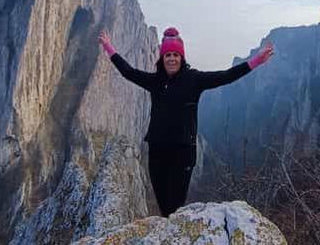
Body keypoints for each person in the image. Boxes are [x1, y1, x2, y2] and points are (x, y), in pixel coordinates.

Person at [98, 26, 274, 217]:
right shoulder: (156, 81)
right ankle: (167, 233)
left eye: (176, 55)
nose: (172, 59)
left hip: (183, 153)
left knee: (175, 206)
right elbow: (129, 72)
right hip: (157, 150)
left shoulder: (194, 79)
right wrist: (109, 48)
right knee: (163, 204)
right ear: (162, 58)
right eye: (168, 55)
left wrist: (256, 62)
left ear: (181, 58)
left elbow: (225, 76)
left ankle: (173, 232)